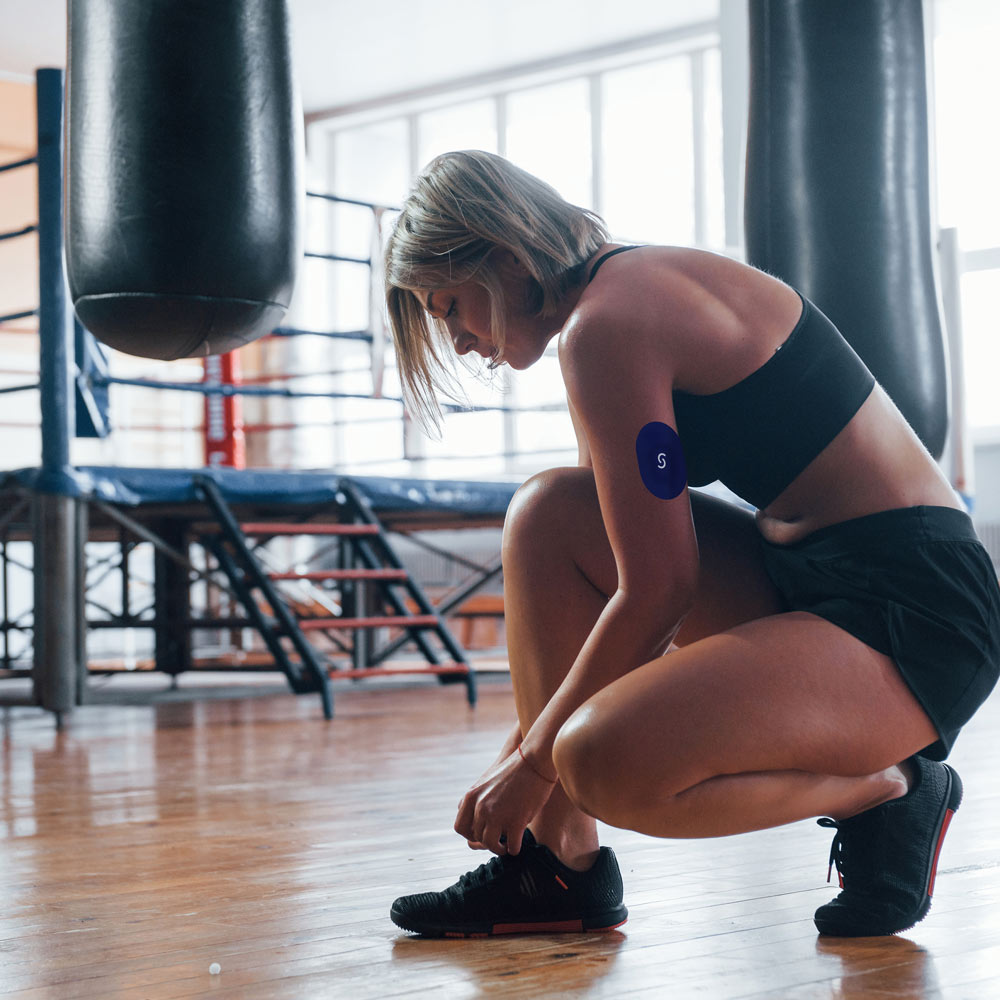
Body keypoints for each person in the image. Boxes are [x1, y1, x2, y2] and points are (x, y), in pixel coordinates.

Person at [382, 149, 1000, 939]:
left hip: (918, 612)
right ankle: (555, 865)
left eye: (449, 307)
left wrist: (534, 764)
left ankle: (890, 787)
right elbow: (616, 576)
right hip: (803, 575)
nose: (458, 341)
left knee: (599, 758)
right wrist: (524, 761)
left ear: (503, 256)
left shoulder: (609, 325)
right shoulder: (608, 310)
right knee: (549, 515)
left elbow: (659, 592)